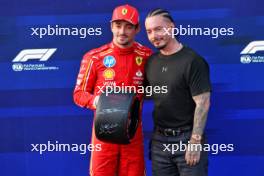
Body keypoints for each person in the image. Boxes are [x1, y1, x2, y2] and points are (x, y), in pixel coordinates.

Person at [73, 4, 152, 176]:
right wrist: (99, 101)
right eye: (118, 25)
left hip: (133, 133)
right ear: (111, 26)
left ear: (137, 29)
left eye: (128, 26)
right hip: (103, 135)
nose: (122, 31)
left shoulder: (146, 56)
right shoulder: (94, 57)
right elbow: (78, 94)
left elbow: (157, 90)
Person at [144, 9, 211, 176]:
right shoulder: (150, 62)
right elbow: (145, 93)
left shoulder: (193, 61)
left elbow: (203, 102)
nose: (153, 36)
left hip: (187, 139)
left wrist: (195, 142)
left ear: (172, 27)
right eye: (149, 31)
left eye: (158, 29)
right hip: (159, 142)